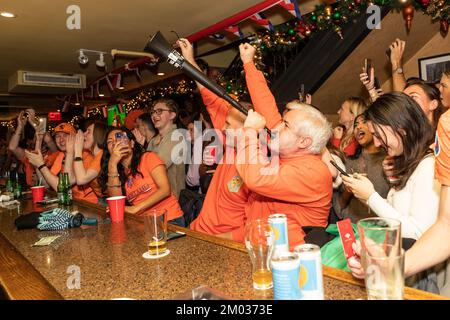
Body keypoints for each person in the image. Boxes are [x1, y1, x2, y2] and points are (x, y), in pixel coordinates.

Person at [237, 43, 332, 249]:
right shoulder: (289, 149)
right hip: (263, 250)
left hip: (293, 264)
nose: (277, 126)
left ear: (304, 142)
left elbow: (256, 178)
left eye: (286, 125)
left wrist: (250, 133)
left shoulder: (313, 173)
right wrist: (248, 64)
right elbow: (266, 105)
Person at [178, 38, 251, 238]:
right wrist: (190, 61)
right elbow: (210, 96)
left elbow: (258, 227)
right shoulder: (230, 143)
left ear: (249, 128)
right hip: (198, 231)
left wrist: (216, 241)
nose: (221, 129)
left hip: (223, 248)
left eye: (228, 125)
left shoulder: (259, 167)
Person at [342, 93, 439, 240]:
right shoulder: (409, 162)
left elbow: (417, 234)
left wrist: (371, 197)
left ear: (401, 128)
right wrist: (364, 194)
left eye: (379, 135)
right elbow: (399, 212)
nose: (377, 143)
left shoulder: (428, 167)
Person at [99, 127, 184, 225]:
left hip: (169, 218)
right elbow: (117, 204)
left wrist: (135, 208)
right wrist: (112, 164)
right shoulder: (118, 172)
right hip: (143, 221)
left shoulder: (148, 158)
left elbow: (165, 190)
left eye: (119, 137)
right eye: (110, 141)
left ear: (132, 143)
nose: (115, 142)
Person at [334, 113, 389, 223]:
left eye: (364, 122)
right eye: (356, 125)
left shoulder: (388, 161)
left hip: (379, 228)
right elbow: (339, 205)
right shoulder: (349, 161)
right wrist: (348, 190)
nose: (358, 127)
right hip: (351, 227)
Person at [25, 123, 98, 204]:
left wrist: (40, 165)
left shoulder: (85, 155)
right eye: (57, 136)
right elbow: (47, 183)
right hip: (73, 202)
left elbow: (63, 186)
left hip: (90, 205)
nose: (61, 139)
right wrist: (38, 143)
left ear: (75, 138)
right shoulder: (61, 155)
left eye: (65, 135)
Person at [8, 109, 58, 187]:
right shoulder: (29, 155)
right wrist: (20, 127)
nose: (38, 137)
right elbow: (12, 147)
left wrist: (33, 121)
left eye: (39, 136)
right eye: (35, 137)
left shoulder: (53, 154)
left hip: (50, 191)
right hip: (32, 191)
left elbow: (47, 138)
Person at [147, 98, 186, 199]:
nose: (154, 115)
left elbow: (157, 166)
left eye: (159, 111)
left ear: (172, 115)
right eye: (153, 112)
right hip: (154, 197)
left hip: (171, 200)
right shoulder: (154, 140)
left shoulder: (176, 137)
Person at [65, 121, 109, 205]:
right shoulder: (91, 156)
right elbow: (69, 180)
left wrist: (78, 149)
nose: (84, 134)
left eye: (88, 132)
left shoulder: (102, 155)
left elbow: (81, 180)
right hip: (102, 200)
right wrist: (70, 152)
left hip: (110, 201)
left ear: (98, 136)